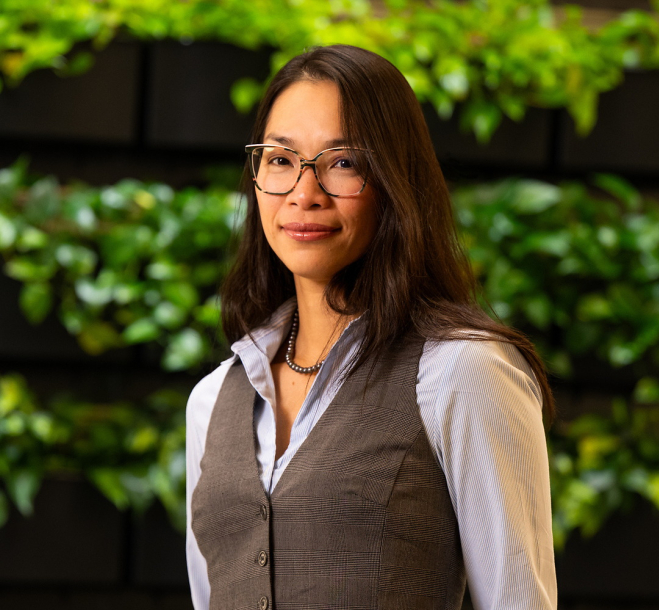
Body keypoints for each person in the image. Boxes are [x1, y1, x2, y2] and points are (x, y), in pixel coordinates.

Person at [184, 45, 557, 610]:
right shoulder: (212, 402)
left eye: (343, 162)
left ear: (393, 181)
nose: (304, 194)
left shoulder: (461, 372)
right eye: (280, 160)